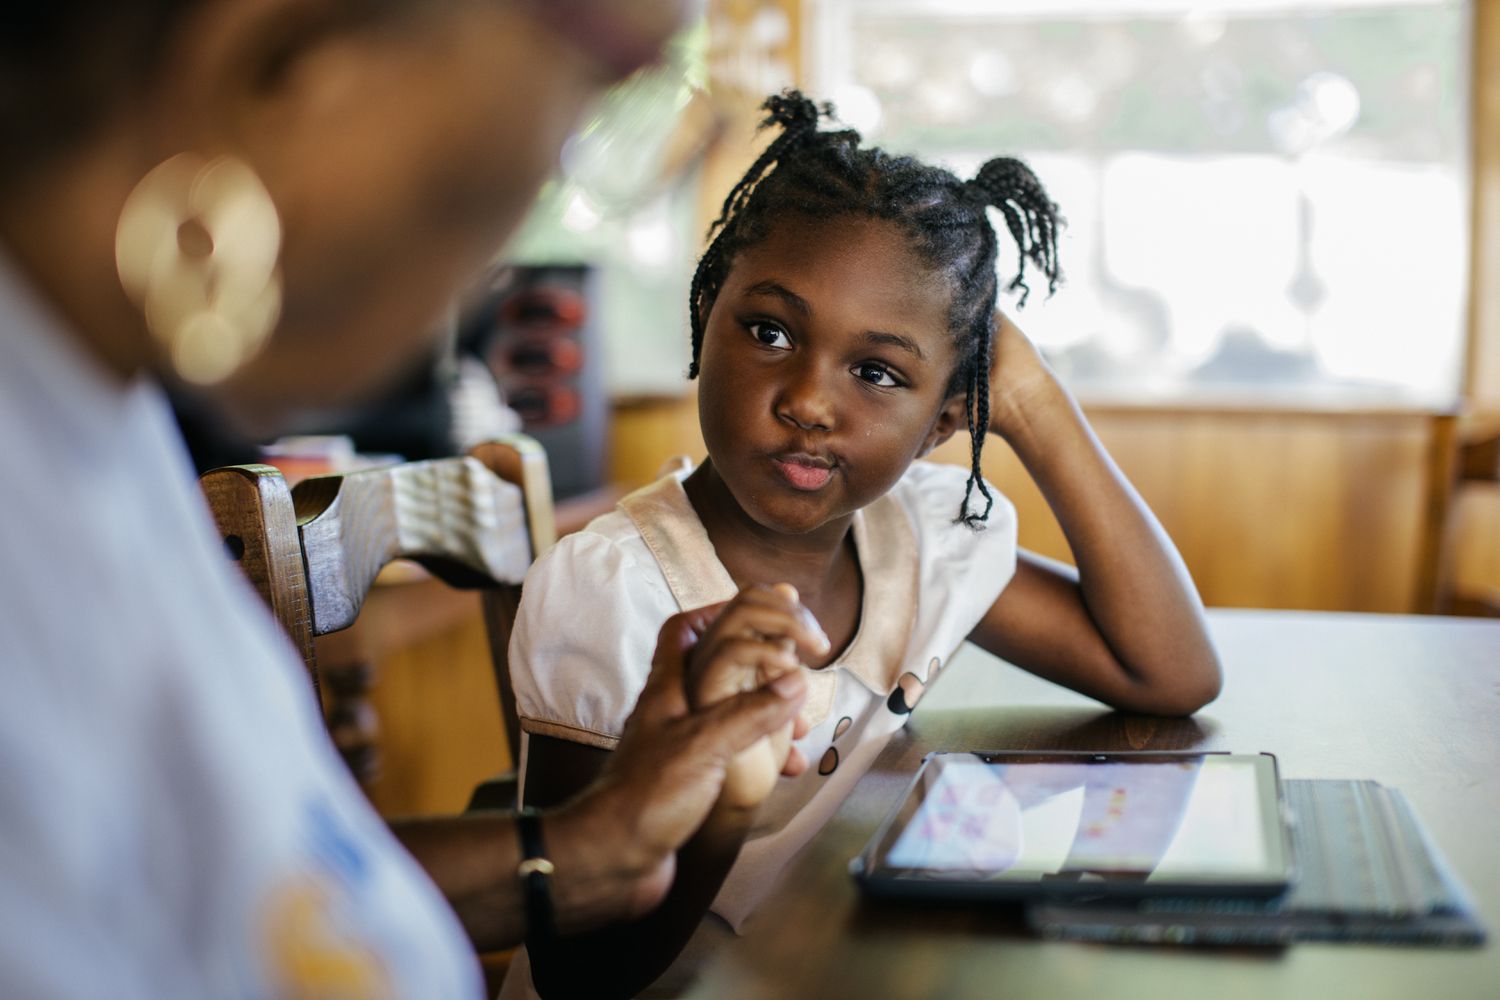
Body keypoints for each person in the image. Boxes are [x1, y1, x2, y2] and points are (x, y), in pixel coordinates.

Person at [0, 3, 824, 996]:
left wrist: (593, 841)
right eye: (597, 94)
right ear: (283, 56)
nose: (498, 267)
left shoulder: (95, 416)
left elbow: (250, 891)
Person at [506, 91, 1224, 997]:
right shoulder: (611, 591)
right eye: (769, 331)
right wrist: (725, 790)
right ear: (705, 316)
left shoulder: (920, 536)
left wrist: (1034, 402)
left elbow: (1172, 672)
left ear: (941, 425)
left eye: (879, 373)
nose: (808, 399)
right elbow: (581, 973)